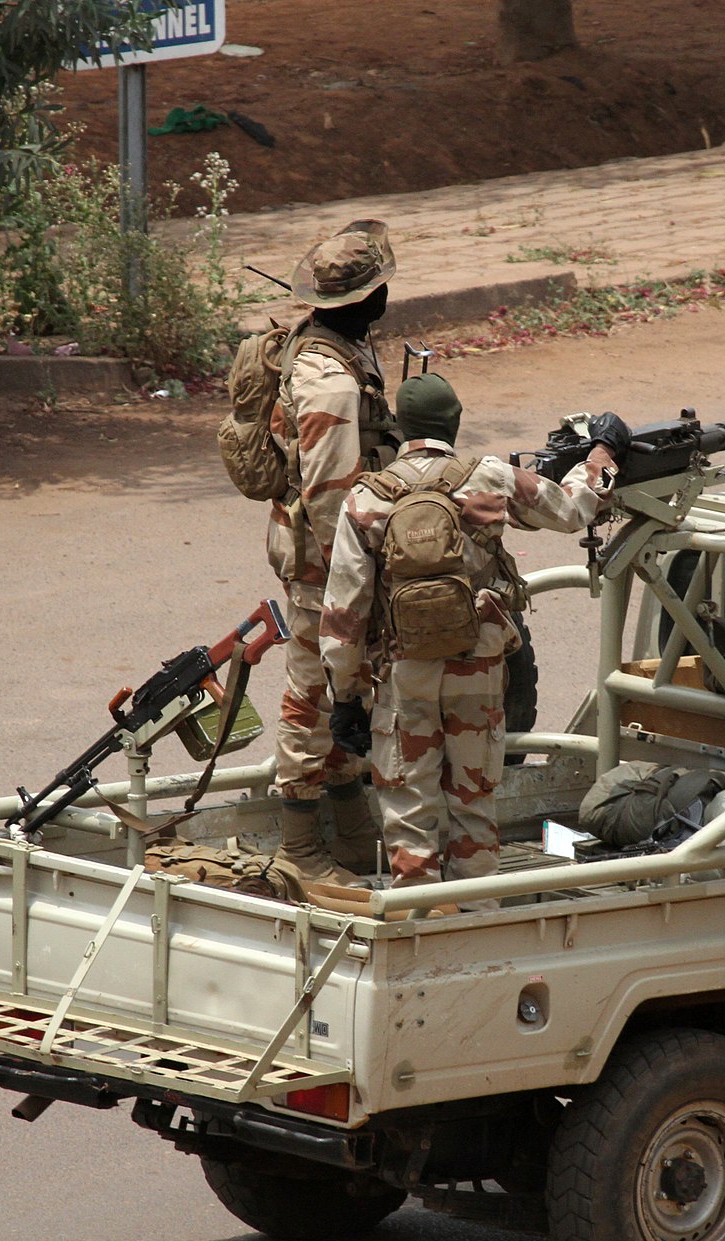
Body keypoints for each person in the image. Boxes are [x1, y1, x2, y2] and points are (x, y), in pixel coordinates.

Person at [319, 373, 630, 903]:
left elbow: (345, 613)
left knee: (409, 809)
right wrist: (602, 452)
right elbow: (575, 507)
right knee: (473, 801)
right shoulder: (489, 477)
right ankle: (477, 916)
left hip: (404, 672)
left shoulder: (365, 498)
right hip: (477, 667)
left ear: (400, 428)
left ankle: (416, 919)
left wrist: (346, 697)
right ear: (455, 423)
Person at [266, 219, 402, 886]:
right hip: (329, 563)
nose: (387, 298)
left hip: (340, 557)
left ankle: (350, 832)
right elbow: (329, 500)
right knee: (313, 696)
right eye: (381, 288)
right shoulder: (331, 384)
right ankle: (298, 848)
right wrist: (354, 581)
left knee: (353, 689)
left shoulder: (345, 349)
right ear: (361, 301)